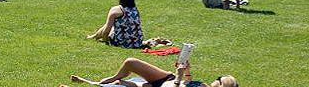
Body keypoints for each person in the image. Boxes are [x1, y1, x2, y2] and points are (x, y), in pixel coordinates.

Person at [62, 58, 238, 87]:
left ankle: (89, 83)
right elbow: (188, 81)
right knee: (130, 62)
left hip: (165, 84)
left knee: (120, 85)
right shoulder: (204, 85)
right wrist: (187, 71)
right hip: (165, 78)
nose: (216, 80)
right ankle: (111, 79)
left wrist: (178, 77)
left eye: (219, 80)